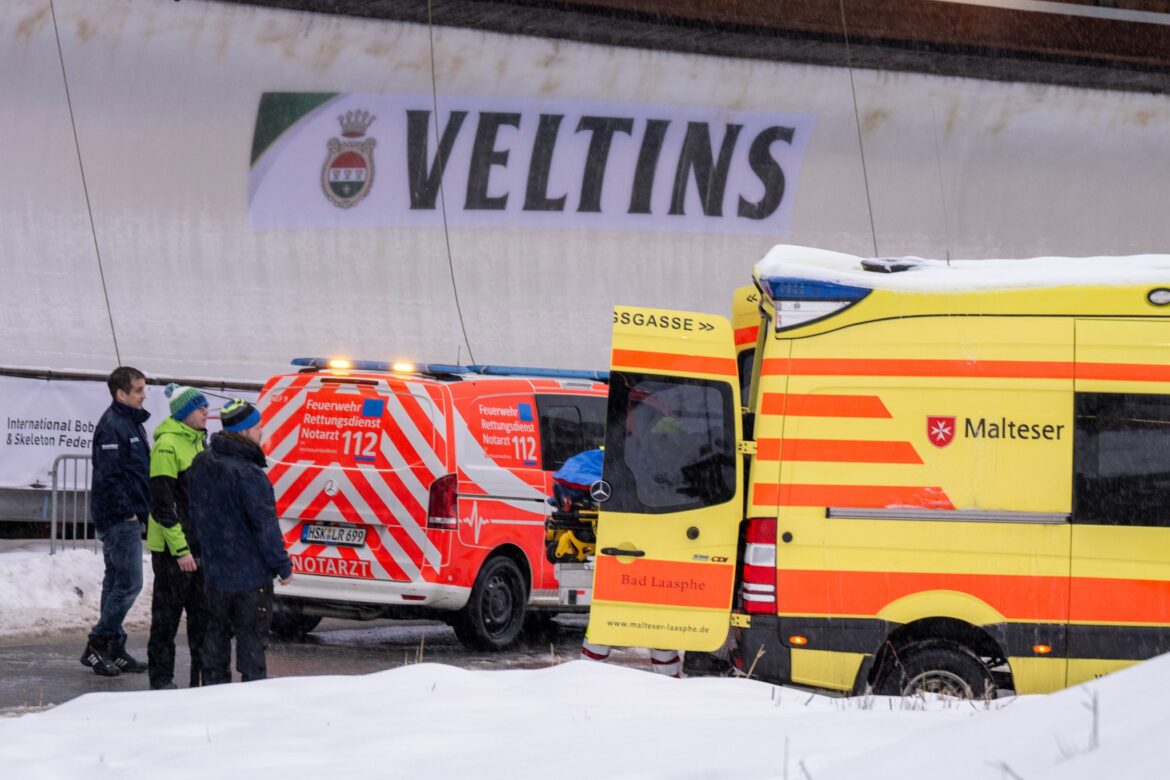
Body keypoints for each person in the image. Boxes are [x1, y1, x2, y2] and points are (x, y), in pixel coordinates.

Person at [189, 398, 292, 684]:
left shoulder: (201, 463)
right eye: (258, 427)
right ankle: (249, 705)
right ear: (245, 431)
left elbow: (195, 514)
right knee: (251, 647)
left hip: (214, 572)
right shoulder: (249, 474)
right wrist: (282, 566)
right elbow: (265, 526)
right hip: (249, 576)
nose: (262, 433)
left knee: (215, 640)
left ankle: (212, 694)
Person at [80, 366, 151, 677]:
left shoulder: (131, 423)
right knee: (130, 583)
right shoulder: (113, 426)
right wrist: (127, 511)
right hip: (119, 517)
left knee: (114, 584)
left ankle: (114, 645)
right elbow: (110, 476)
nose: (143, 395)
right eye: (138, 390)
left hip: (127, 514)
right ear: (121, 393)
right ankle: (98, 644)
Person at [145, 384, 209, 690]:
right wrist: (181, 550)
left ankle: (200, 681)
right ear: (184, 413)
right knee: (166, 621)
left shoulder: (199, 442)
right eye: (199, 408)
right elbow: (163, 505)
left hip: (198, 545)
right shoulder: (167, 445)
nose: (206, 412)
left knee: (202, 619)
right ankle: (161, 683)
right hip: (173, 551)